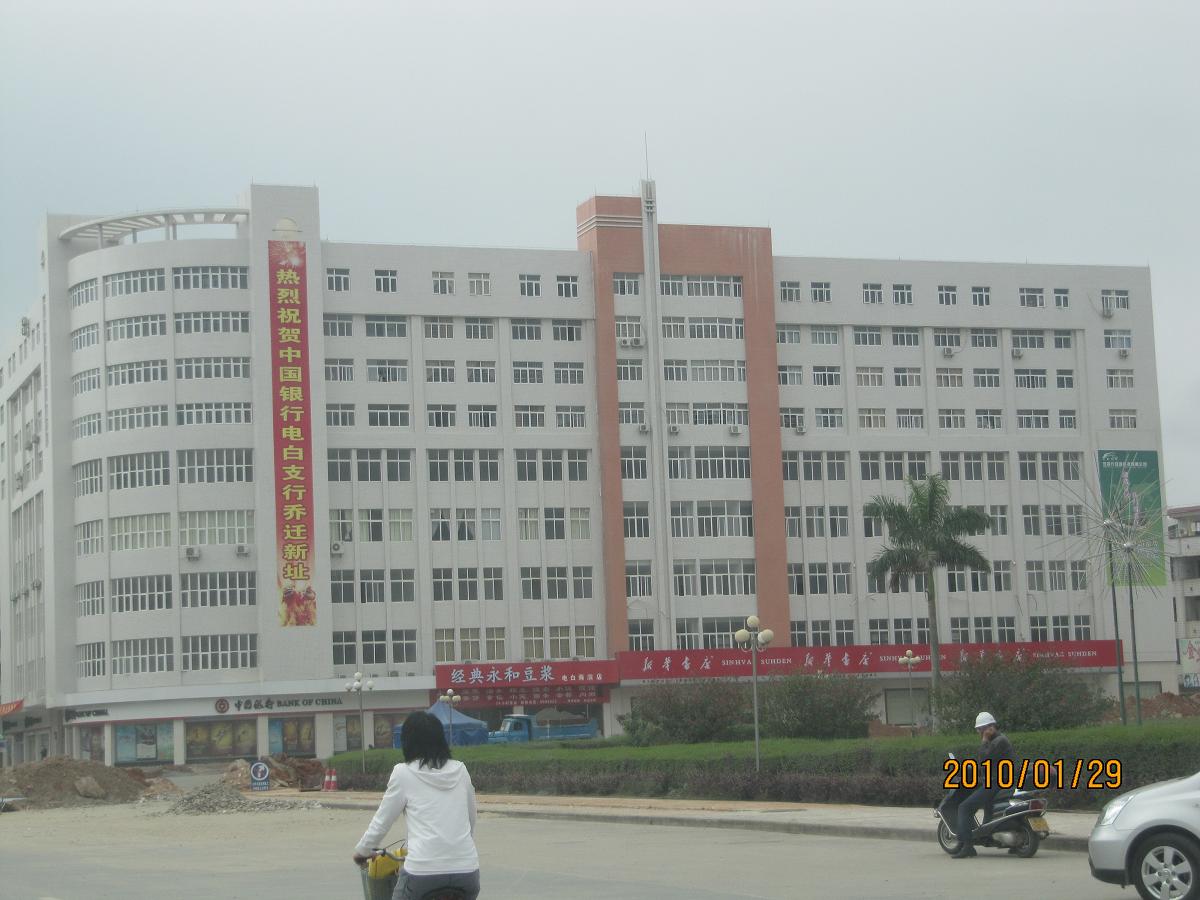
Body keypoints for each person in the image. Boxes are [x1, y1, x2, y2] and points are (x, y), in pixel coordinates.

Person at [352, 711, 480, 898]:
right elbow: (471, 819)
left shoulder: (403, 773)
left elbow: (382, 822)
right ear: (441, 740)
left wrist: (362, 851)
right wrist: (458, 848)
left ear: (407, 742)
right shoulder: (461, 770)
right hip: (467, 873)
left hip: (422, 874)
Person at [951, 711, 1015, 859]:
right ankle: (990, 836)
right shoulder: (1000, 740)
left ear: (988, 728)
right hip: (1002, 781)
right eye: (979, 730)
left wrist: (984, 740)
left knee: (964, 807)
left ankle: (967, 847)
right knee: (988, 806)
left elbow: (984, 758)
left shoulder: (997, 741)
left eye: (980, 729)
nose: (979, 733)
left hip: (997, 783)